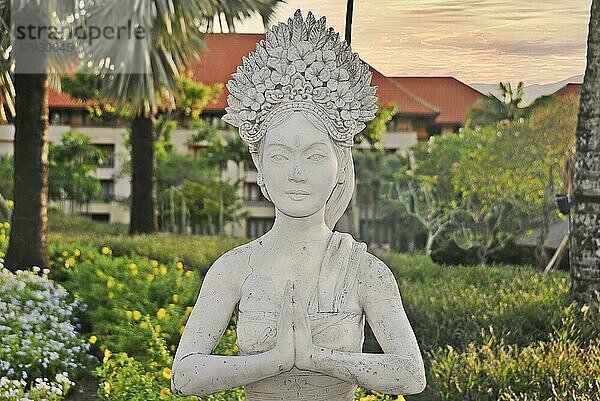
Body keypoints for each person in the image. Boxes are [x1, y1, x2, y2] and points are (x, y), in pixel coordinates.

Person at [171, 10, 425, 400]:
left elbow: (410, 374)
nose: (296, 173)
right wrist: (273, 361)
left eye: (313, 156)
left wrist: (318, 358)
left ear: (340, 167)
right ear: (259, 170)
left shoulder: (364, 271)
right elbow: (185, 374)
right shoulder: (235, 268)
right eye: (280, 155)